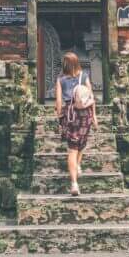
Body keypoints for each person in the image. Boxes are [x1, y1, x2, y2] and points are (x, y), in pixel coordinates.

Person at [55, 51, 98, 196]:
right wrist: (94, 116)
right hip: (85, 114)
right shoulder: (84, 76)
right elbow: (91, 97)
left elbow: (59, 101)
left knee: (72, 149)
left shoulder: (60, 79)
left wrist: (60, 116)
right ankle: (78, 166)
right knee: (82, 143)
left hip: (70, 114)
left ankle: (74, 184)